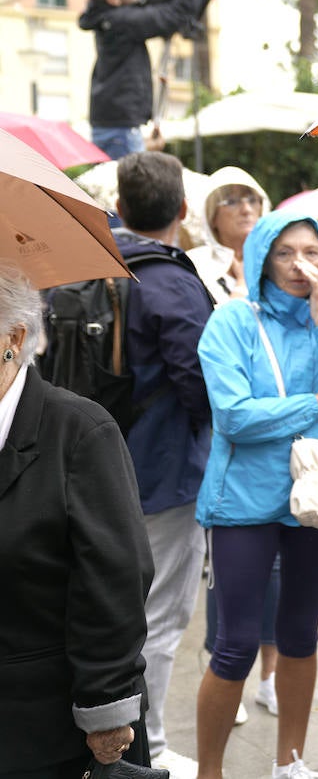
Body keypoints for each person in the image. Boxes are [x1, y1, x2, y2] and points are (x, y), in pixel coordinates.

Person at [194, 212, 318, 779]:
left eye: (312, 253)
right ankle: (210, 771)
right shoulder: (231, 322)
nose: (302, 265)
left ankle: (290, 762)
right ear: (263, 260)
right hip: (243, 502)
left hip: (315, 500)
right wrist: (312, 404)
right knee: (236, 644)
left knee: (300, 635)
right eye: (286, 254)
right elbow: (234, 417)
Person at [0, 263, 157, 778]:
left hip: (47, 727)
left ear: (13, 338)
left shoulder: (79, 431)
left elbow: (115, 579)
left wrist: (106, 710)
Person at [112, 152, 215, 779]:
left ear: (121, 208)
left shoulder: (88, 267)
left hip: (92, 464)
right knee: (159, 616)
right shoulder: (171, 280)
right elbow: (200, 384)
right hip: (164, 472)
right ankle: (142, 742)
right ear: (182, 210)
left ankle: (104, 730)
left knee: (103, 608)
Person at [186, 164, 280, 721]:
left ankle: (270, 676)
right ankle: (227, 672)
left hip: (282, 445)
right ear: (211, 215)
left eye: (252, 197)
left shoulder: (284, 267)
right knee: (230, 572)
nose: (244, 207)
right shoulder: (199, 269)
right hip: (230, 439)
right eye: (232, 199)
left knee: (282, 574)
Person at [79, 0, 206, 159]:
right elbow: (176, 14)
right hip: (120, 129)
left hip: (117, 127)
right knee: (132, 190)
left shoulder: (107, 18)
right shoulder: (121, 21)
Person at [188, 166, 274, 307]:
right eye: (232, 202)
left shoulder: (278, 259)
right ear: (212, 217)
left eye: (252, 200)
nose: (246, 210)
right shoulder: (196, 265)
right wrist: (241, 285)